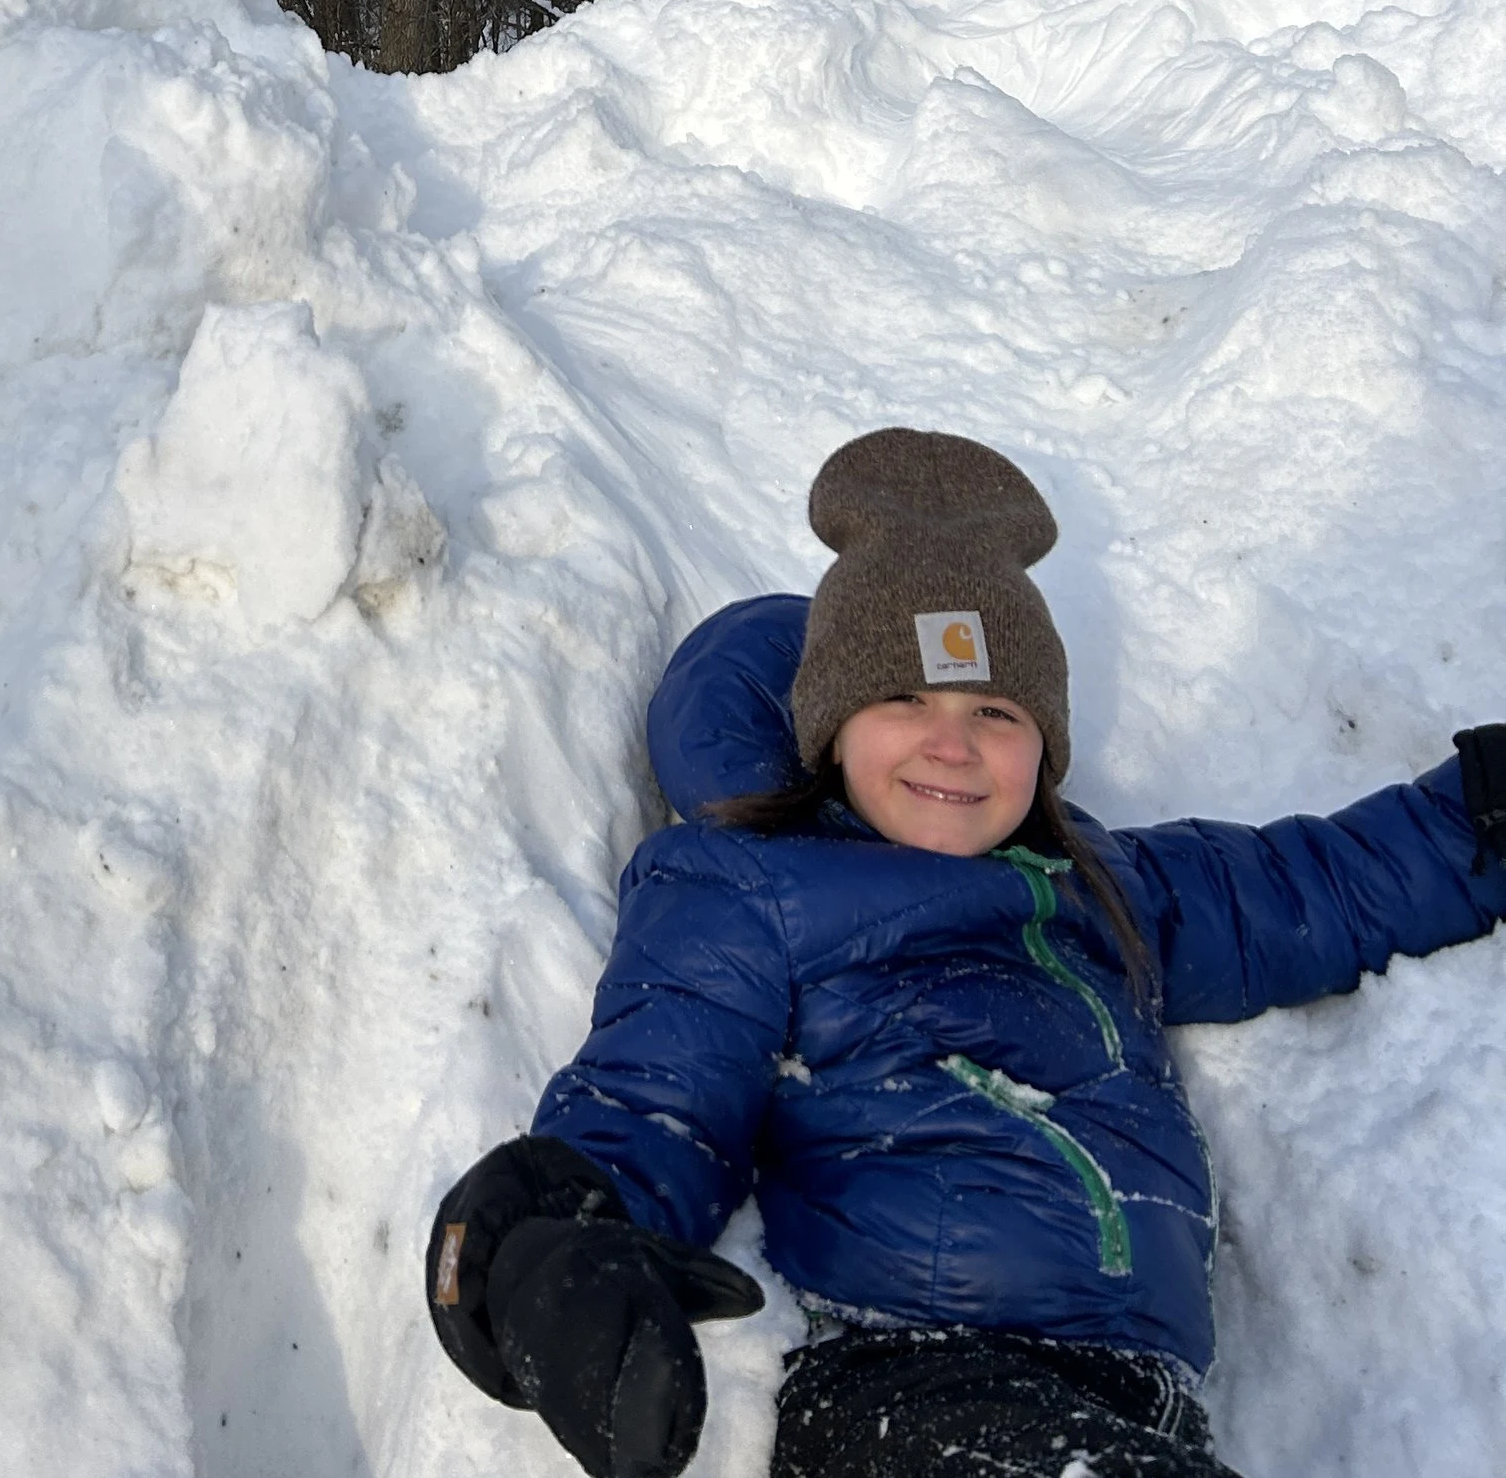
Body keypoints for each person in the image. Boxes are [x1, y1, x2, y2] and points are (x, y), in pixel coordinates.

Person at [427, 427, 1506, 1478]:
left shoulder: (1109, 888)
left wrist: (1475, 818)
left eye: (994, 709)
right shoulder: (753, 883)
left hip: (1136, 1401)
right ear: (829, 726)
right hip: (904, 1380)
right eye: (902, 697)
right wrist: (547, 1238)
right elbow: (654, 1088)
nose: (951, 743)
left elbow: (1312, 890)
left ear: (1043, 747)